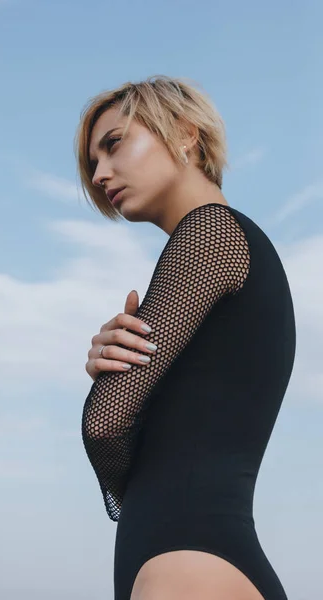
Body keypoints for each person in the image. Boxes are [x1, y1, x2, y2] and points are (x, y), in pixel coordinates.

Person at [74, 75, 296, 600]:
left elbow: (105, 424)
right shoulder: (225, 243)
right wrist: (115, 370)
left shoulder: (210, 233)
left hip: (187, 565)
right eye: (93, 164)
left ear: (184, 134)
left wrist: (115, 396)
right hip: (203, 560)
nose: (101, 173)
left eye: (113, 144)